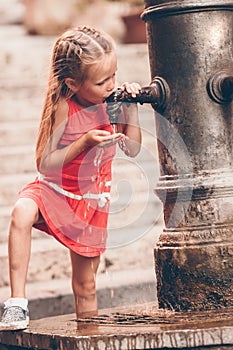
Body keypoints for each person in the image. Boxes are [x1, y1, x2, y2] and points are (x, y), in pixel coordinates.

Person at [0, 26, 141, 330]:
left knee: (86, 284)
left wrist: (132, 110)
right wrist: (84, 142)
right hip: (54, 189)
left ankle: (88, 338)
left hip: (89, 201)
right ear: (72, 83)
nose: (111, 85)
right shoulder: (65, 105)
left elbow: (132, 148)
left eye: (114, 76)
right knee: (22, 211)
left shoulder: (114, 102)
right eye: (103, 81)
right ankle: (17, 304)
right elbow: (45, 163)